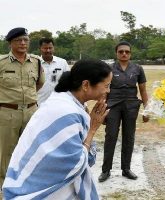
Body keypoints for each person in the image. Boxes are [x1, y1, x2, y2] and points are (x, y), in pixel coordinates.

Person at [2, 59, 112, 199]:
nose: (108, 90)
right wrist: (92, 128)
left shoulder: (65, 101)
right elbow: (75, 163)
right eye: (107, 85)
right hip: (42, 192)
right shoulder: (66, 111)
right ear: (86, 85)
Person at [0, 27, 44, 190]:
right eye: (19, 40)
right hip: (7, 113)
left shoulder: (36, 62)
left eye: (26, 40)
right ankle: (5, 184)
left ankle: (28, 181)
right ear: (10, 43)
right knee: (6, 150)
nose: (23, 43)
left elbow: (39, 83)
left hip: (31, 111)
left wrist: (27, 101)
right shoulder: (2, 63)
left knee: (31, 148)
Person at [98, 41, 149, 182]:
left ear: (130, 53)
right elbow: (103, 91)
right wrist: (101, 111)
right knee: (111, 137)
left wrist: (147, 110)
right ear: (116, 53)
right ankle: (106, 170)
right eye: (121, 52)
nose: (124, 54)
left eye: (127, 51)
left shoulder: (138, 69)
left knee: (129, 137)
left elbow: (143, 90)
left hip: (131, 107)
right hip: (113, 106)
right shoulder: (109, 69)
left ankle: (126, 169)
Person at [37, 37, 70, 106]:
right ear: (40, 49)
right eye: (45, 48)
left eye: (50, 48)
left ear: (53, 48)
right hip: (39, 104)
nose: (48, 50)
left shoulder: (62, 62)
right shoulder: (35, 63)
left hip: (59, 103)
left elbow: (70, 81)